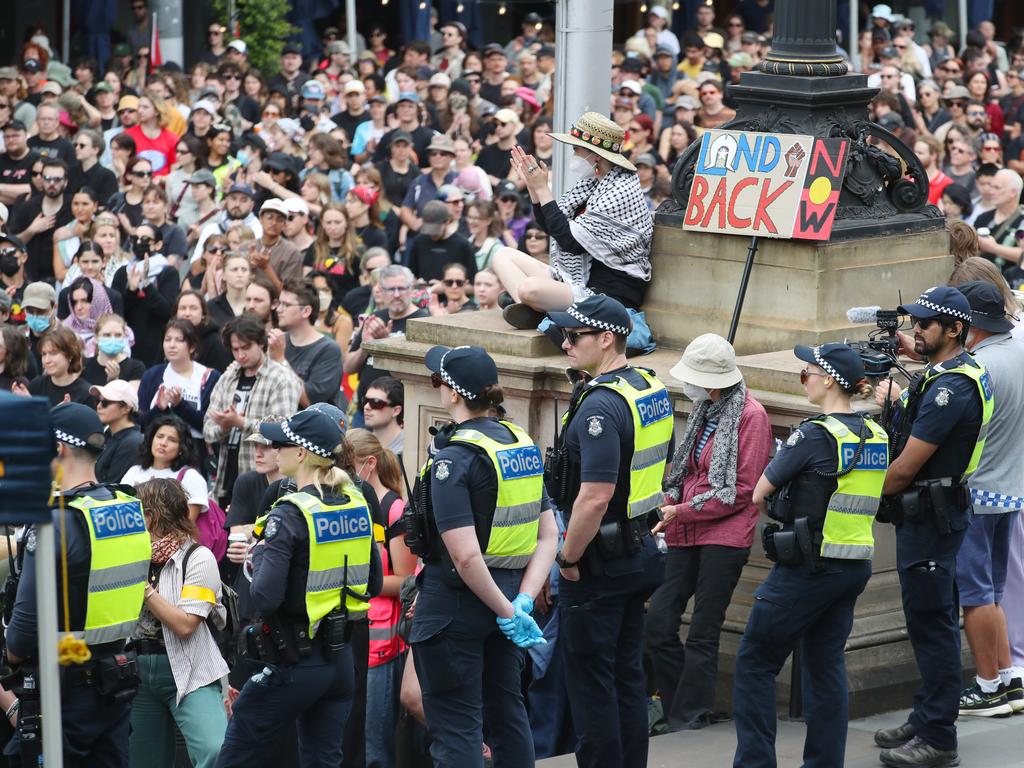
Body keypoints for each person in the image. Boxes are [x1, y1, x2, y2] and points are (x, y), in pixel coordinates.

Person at [732, 343, 887, 767]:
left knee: (755, 663)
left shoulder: (813, 434)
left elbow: (759, 494)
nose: (805, 379)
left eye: (807, 372)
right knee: (825, 665)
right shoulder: (875, 434)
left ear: (827, 379)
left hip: (807, 568)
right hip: (853, 565)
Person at [409, 344, 557, 768]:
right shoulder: (520, 444)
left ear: (453, 394)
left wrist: (508, 610)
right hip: (509, 600)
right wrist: (520, 603)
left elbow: (467, 558)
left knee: (457, 728)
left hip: (458, 606)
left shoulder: (453, 459)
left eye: (438, 381)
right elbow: (549, 535)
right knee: (509, 715)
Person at [543, 295, 671, 768]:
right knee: (624, 678)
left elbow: (594, 496)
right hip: (638, 553)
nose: (565, 343)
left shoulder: (602, 405)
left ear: (607, 338)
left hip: (600, 564)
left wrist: (569, 558)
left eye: (574, 336)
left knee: (593, 688)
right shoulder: (647, 387)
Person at [216, 409, 383, 767]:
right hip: (340, 661)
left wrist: (257, 554)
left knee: (236, 754)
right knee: (323, 759)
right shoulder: (356, 503)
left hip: (294, 659)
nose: (274, 449)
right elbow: (375, 582)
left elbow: (265, 596)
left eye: (281, 443)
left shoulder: (289, 512)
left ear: (302, 453)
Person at [871, 286, 992, 768]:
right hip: (929, 513)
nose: (914, 330)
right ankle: (926, 715)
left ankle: (939, 736)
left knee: (934, 624)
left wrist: (856, 492)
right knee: (926, 622)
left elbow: (903, 470)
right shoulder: (947, 373)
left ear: (954, 330)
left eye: (924, 324)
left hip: (931, 516)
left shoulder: (951, 388)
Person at [5, 402, 150, 765]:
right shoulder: (128, 508)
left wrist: (9, 657)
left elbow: (24, 626)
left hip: (63, 689)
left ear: (58, 449)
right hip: (117, 677)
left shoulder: (56, 522)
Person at [646, 334, 772, 732]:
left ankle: (689, 714)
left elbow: (740, 491)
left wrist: (679, 509)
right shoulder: (706, 408)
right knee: (659, 624)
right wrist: (672, 501)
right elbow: (687, 471)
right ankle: (678, 704)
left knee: (703, 631)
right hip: (686, 527)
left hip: (724, 535)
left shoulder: (751, 416)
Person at [492, 113, 653, 330]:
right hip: (577, 278)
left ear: (596, 155)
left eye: (576, 149)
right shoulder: (590, 183)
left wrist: (542, 188)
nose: (573, 153)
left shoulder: (621, 189)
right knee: (502, 255)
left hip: (609, 293)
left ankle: (534, 308)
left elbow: (570, 241)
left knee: (529, 288)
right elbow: (550, 225)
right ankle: (534, 309)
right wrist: (532, 186)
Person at [949, 281, 1024, 716]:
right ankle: (1009, 680)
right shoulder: (1015, 351)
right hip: (1010, 490)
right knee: (993, 592)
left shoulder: (978, 368)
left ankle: (988, 687)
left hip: (977, 494)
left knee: (976, 595)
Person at [128, 477, 228, 768]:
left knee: (215, 749)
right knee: (143, 762)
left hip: (190, 669)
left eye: (137, 513)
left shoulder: (199, 558)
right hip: (139, 671)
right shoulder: (133, 556)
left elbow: (185, 625)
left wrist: (144, 588)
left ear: (151, 517)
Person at [346, 428, 417, 768]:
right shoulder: (350, 503)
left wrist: (360, 582)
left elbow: (406, 579)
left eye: (349, 465)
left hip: (383, 642)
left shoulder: (392, 508)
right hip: (355, 634)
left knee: (376, 744)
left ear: (369, 464)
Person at [203, 314, 302, 506]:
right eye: (235, 349)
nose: (240, 355)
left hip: (265, 481)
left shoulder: (281, 378)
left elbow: (283, 431)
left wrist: (240, 423)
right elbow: (208, 430)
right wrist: (224, 427)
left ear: (261, 343)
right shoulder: (228, 377)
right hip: (225, 478)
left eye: (246, 347)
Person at [111, 221, 181, 366]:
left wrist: (147, 284)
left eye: (145, 239)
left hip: (155, 348)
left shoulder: (168, 272)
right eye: (135, 239)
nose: (139, 243)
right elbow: (116, 313)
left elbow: (167, 311)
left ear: (158, 245)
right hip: (126, 347)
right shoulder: (123, 273)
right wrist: (131, 290)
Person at [139, 319, 221, 439]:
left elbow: (211, 425)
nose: (172, 345)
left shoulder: (209, 377)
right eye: (167, 339)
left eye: (179, 340)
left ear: (192, 347)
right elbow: (140, 423)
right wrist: (159, 408)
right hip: (156, 447)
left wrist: (180, 405)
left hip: (194, 448)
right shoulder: (152, 375)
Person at [268, 278, 343, 407]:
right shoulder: (278, 342)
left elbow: (310, 402)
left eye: (286, 305)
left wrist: (281, 360)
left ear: (306, 311)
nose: (278, 309)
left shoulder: (328, 350)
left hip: (308, 425)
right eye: (279, 303)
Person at [122, 413, 210, 522]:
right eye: (159, 436)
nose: (163, 443)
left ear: (182, 448)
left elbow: (187, 525)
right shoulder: (134, 471)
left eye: (172, 440)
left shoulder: (191, 477)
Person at [93, 379, 145, 485]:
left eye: (105, 403)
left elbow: (114, 486)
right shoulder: (107, 433)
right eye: (98, 401)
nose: (99, 406)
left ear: (126, 408)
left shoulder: (133, 442)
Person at [29, 324, 96, 406]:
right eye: (44, 354)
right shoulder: (36, 385)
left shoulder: (86, 393)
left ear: (70, 355)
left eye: (53, 353)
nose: (47, 360)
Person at [83, 313, 145, 387]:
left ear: (124, 336)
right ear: (96, 338)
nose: (113, 339)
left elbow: (132, 397)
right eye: (107, 335)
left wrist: (115, 381)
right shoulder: (84, 365)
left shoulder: (136, 367)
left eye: (118, 335)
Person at [363, 375, 405, 458]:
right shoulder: (361, 444)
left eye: (375, 402)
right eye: (365, 401)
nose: (366, 407)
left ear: (396, 410)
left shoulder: (408, 450)